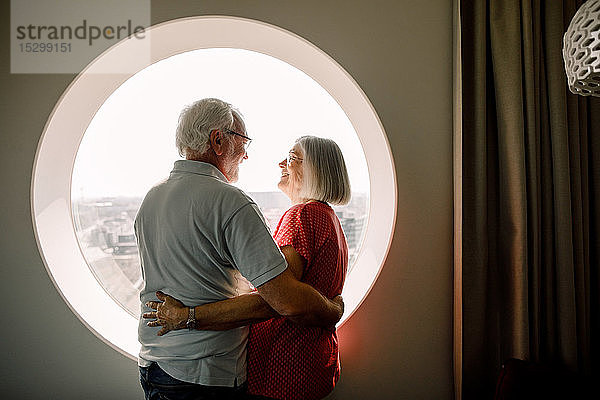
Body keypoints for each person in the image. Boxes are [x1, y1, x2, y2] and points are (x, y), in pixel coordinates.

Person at [136, 98, 344, 400]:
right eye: (243, 142)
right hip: (204, 371)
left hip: (155, 362)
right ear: (218, 141)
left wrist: (184, 315)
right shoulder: (231, 202)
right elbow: (285, 301)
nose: (246, 155)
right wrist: (334, 309)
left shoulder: (151, 198)